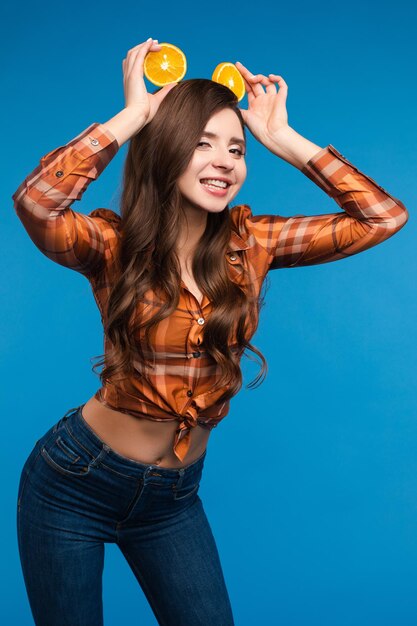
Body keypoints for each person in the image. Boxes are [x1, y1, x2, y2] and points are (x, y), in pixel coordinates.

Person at [13, 38, 408, 626]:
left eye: (237, 149)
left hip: (173, 499)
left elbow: (382, 216)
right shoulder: (113, 246)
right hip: (75, 482)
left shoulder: (255, 244)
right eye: (202, 145)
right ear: (166, 151)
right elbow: (37, 204)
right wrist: (132, 117)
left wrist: (284, 141)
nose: (224, 161)